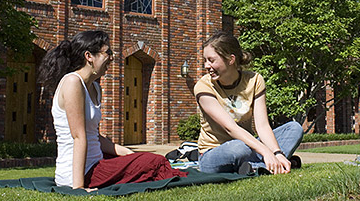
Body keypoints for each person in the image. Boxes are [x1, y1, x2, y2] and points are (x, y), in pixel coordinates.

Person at [38, 30, 187, 190]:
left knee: (147, 160)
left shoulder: (95, 88)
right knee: (155, 163)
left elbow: (93, 136)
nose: (112, 57)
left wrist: (130, 154)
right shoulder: (72, 82)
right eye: (107, 52)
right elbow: (78, 136)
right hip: (82, 173)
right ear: (89, 56)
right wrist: (79, 187)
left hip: (97, 162)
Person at [193, 31, 303, 175]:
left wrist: (277, 153)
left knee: (294, 128)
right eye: (205, 60)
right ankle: (263, 165)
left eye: (211, 60)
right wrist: (265, 151)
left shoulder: (255, 81)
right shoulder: (203, 86)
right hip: (213, 154)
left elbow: (262, 125)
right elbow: (230, 128)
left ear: (231, 59)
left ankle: (259, 166)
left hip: (249, 147)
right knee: (239, 148)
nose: (206, 66)